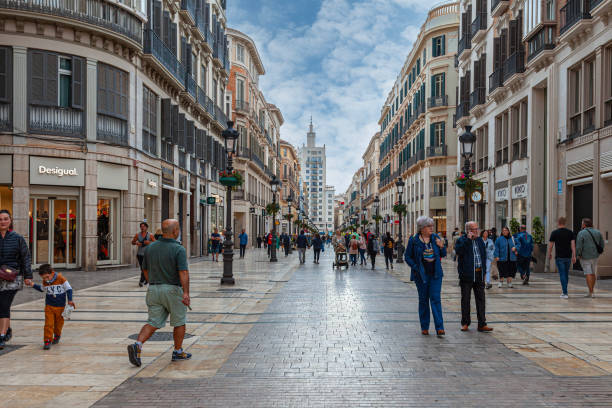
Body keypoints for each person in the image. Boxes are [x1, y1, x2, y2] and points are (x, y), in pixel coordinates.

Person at [128, 219, 191, 367]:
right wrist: (186, 292)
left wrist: (152, 283)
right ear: (175, 231)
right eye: (178, 229)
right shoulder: (178, 249)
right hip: (173, 289)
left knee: (153, 321)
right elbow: (183, 272)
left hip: (154, 289)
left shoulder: (151, 247)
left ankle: (138, 345)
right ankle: (178, 351)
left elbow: (144, 269)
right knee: (179, 321)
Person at [404, 216, 446, 336]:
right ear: (422, 228)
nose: (431, 228)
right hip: (421, 275)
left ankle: (439, 327)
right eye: (429, 226)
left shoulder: (436, 238)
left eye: (432, 226)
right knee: (423, 301)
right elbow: (407, 257)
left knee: (436, 299)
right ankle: (425, 327)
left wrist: (441, 246)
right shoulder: (414, 240)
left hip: (436, 274)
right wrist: (416, 267)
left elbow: (442, 254)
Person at [0, 210, 32, 350]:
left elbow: (25, 257)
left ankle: (1, 335)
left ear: (10, 221)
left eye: (5, 219)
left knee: (4, 305)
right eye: (0, 219)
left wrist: (28, 276)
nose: (2, 221)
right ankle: (6, 329)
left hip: (12, 277)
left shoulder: (17, 238)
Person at [455, 221, 493, 333]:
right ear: (468, 230)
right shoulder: (462, 240)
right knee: (465, 300)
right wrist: (468, 240)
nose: (477, 231)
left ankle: (482, 324)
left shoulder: (480, 240)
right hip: (467, 275)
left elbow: (483, 256)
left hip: (479, 274)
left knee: (481, 300)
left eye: (477, 229)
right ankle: (465, 323)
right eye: (474, 229)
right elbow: (458, 251)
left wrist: (485, 271)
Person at [27, 264, 75, 350]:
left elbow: (69, 289)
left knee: (58, 324)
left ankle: (57, 334)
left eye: (47, 277)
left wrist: (70, 300)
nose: (46, 279)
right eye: (43, 278)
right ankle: (47, 340)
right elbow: (42, 288)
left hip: (60, 307)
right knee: (48, 324)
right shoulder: (45, 282)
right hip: (49, 306)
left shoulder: (61, 279)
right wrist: (32, 284)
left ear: (52, 273)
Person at [547, 217, 576, 298]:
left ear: (558, 222)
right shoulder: (570, 232)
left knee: (562, 274)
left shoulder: (554, 233)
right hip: (568, 257)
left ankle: (565, 292)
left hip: (559, 257)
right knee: (566, 274)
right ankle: (565, 290)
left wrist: (549, 254)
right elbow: (573, 245)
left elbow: (550, 246)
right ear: (565, 223)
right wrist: (574, 256)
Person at [576, 218, 605, 298]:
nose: (581, 225)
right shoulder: (598, 232)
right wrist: (598, 253)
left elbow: (579, 246)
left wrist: (578, 254)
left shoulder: (581, 233)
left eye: (582, 223)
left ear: (584, 224)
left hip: (585, 256)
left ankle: (591, 292)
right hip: (595, 256)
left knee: (588, 273)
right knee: (593, 273)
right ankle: (592, 291)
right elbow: (602, 244)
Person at [132, 222, 155, 287]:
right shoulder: (137, 235)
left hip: (148, 254)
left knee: (145, 268)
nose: (142, 228)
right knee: (142, 268)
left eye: (143, 226)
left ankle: (141, 281)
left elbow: (155, 243)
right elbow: (132, 242)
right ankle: (146, 279)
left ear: (146, 227)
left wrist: (149, 242)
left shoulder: (150, 235)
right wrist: (136, 243)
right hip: (140, 254)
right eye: (141, 226)